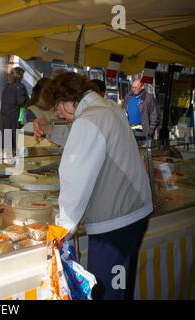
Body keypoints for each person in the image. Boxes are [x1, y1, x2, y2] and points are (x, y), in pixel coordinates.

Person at [33, 72, 153, 300]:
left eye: (58, 108)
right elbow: (80, 134)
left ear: (68, 101)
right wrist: (50, 130)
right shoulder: (106, 107)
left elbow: (74, 178)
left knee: (107, 290)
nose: (59, 114)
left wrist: (62, 228)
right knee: (121, 281)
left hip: (115, 224)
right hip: (134, 214)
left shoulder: (89, 120)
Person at [0, 67, 28, 151]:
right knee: (12, 140)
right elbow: (21, 102)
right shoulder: (20, 87)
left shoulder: (7, 86)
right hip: (13, 117)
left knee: (3, 139)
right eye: (22, 75)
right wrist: (27, 99)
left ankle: (3, 158)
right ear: (20, 76)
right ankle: (11, 158)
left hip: (3, 116)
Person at [122, 79, 158, 146]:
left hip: (142, 131)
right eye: (132, 87)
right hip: (129, 131)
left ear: (142, 87)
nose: (133, 89)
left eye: (135, 87)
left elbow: (154, 115)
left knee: (141, 152)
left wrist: (150, 131)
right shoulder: (128, 97)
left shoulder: (148, 97)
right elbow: (123, 110)